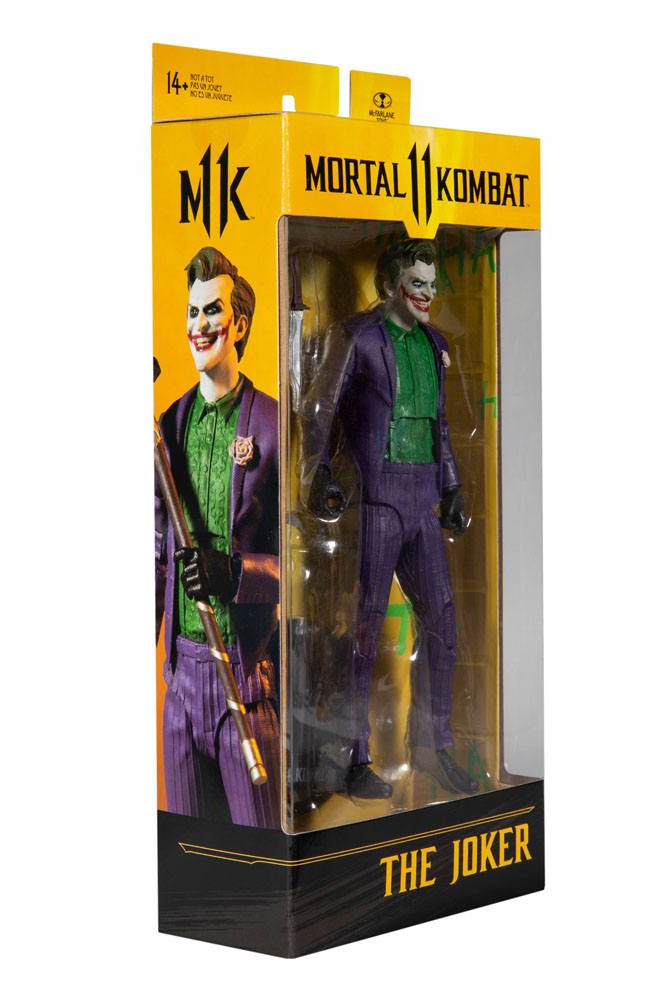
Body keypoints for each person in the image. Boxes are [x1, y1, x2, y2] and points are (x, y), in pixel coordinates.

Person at [304, 238, 479, 798]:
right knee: (366, 626)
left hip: (422, 502)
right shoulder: (357, 338)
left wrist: (451, 486)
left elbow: (440, 425)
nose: (428, 293)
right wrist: (318, 473)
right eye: (417, 283)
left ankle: (435, 745)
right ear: (391, 285)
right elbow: (320, 409)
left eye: (432, 284)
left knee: (443, 623)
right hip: (376, 500)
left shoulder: (434, 345)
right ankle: (355, 755)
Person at [155, 246, 280, 827]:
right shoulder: (169, 426)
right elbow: (157, 548)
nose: (199, 325)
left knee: (258, 849)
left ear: (240, 324)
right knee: (188, 855)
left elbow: (303, 562)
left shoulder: (272, 425)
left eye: (212, 310)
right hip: (181, 680)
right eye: (192, 311)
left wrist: (236, 574)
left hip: (244, 679)